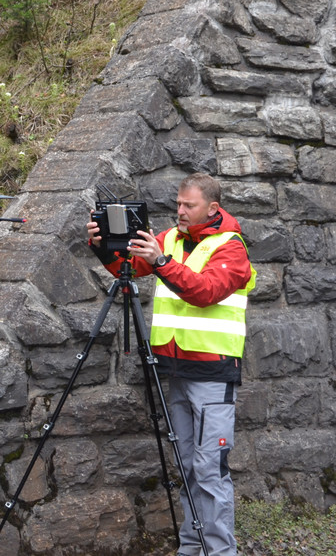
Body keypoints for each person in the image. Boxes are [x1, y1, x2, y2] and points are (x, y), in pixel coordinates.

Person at [86, 172, 255, 556]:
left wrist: (160, 260)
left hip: (213, 373)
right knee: (188, 468)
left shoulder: (232, 247)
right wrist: (101, 246)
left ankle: (220, 553)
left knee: (211, 470)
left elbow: (206, 291)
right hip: (175, 371)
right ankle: (192, 548)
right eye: (177, 203)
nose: (178, 211)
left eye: (187, 205)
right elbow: (124, 268)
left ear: (212, 208)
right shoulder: (170, 238)